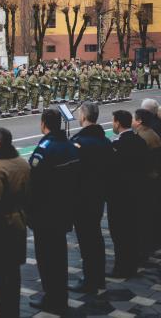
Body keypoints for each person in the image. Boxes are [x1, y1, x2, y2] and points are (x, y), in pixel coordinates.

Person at [27, 109, 79, 315]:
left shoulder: (45, 147)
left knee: (47, 258)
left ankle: (52, 298)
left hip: (45, 213)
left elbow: (34, 181)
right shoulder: (70, 145)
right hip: (65, 209)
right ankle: (60, 296)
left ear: (43, 124)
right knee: (59, 256)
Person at [0, 128, 30, 318]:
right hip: (19, 220)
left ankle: (3, 311)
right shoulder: (22, 163)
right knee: (13, 271)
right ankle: (13, 310)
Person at [68, 102, 112, 293]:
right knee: (95, 237)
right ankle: (98, 277)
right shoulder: (104, 140)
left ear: (84, 116)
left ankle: (90, 279)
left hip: (81, 196)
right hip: (99, 195)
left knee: (87, 240)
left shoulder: (80, 142)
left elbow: (72, 171)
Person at [108, 110, 147, 277]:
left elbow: (112, 171)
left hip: (119, 196)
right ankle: (131, 265)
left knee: (119, 233)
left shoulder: (117, 145)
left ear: (117, 123)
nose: (112, 124)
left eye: (113, 121)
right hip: (137, 192)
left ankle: (121, 268)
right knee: (132, 230)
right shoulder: (140, 141)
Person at [132, 108, 161, 258]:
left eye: (134, 118)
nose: (132, 121)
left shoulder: (144, 137)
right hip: (153, 177)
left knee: (144, 215)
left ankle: (143, 247)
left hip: (147, 180)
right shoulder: (151, 133)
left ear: (140, 121)